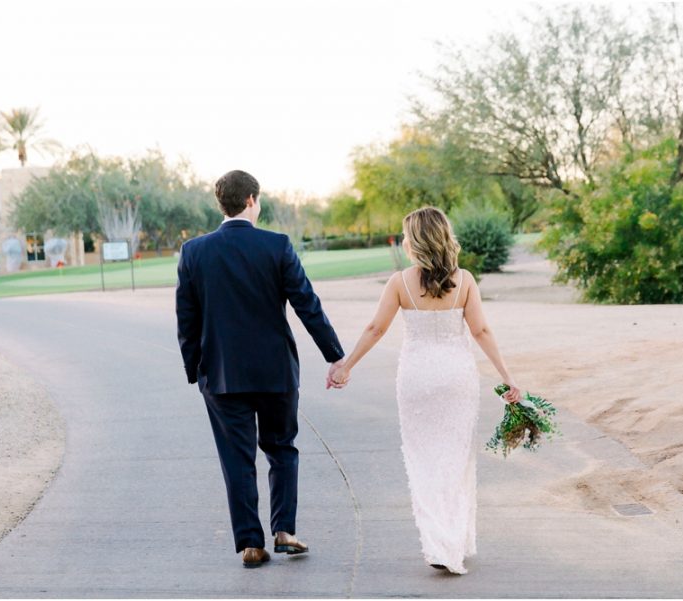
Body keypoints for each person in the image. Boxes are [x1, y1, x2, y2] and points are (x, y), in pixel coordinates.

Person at [327, 206, 522, 574]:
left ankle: (438, 545)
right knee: (455, 459)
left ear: (415, 242)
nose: (402, 242)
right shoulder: (464, 280)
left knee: (424, 461)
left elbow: (375, 329)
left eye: (405, 236)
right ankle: (452, 542)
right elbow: (481, 332)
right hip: (456, 378)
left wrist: (346, 366)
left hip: (417, 379)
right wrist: (508, 376)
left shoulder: (400, 283)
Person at [176, 170, 346, 568]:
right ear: (252, 200)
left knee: (237, 460)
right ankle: (284, 530)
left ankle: (251, 545)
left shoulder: (194, 251)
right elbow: (308, 304)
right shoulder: (277, 245)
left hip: (220, 376)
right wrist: (334, 355)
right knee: (282, 448)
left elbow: (187, 319)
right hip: (276, 374)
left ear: (223, 204)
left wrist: (195, 370)